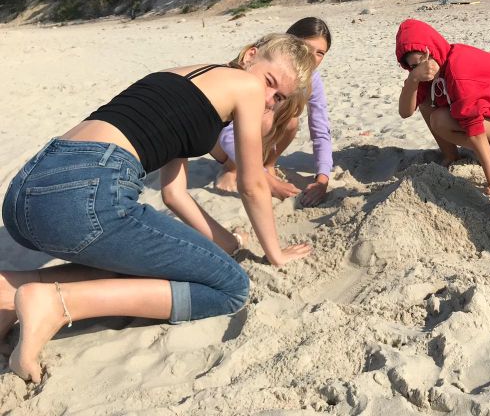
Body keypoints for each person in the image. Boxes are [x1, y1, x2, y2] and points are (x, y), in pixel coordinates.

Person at [0, 33, 316, 383]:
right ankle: (56, 304)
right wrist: (275, 253)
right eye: (270, 82)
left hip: (25, 194)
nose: (269, 98)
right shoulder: (246, 86)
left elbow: (174, 194)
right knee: (231, 287)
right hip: (83, 195)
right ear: (250, 56)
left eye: (280, 97)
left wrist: (227, 242)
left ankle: (11, 291)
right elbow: (252, 184)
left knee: (154, 264)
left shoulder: (185, 82)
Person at [396, 19, 490, 207]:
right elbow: (405, 112)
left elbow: (473, 126)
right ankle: (451, 156)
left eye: (424, 60)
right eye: (413, 67)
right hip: (489, 119)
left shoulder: (458, 70)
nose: (423, 69)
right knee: (426, 103)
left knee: (440, 119)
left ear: (433, 50)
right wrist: (413, 79)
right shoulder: (424, 72)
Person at [211, 17, 333, 207]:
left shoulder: (312, 80)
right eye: (306, 48)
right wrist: (266, 180)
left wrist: (322, 180)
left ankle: (268, 164)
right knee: (265, 115)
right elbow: (228, 132)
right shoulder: (265, 69)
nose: (312, 57)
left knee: (291, 120)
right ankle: (232, 167)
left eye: (320, 53)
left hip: (251, 137)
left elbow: (321, 129)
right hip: (217, 139)